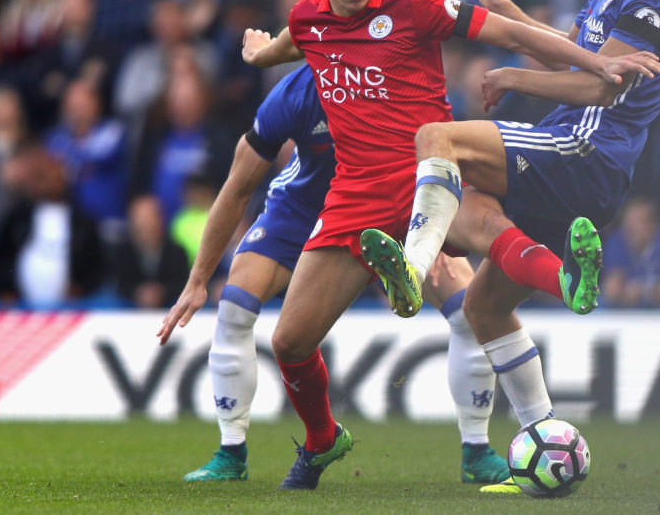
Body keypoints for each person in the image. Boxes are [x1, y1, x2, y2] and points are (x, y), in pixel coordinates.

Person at [159, 0, 660, 491]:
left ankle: (568, 285)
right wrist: (256, 54)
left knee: (489, 230)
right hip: (355, 197)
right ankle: (323, 439)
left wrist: (599, 62)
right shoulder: (308, 19)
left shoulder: (416, 4)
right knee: (290, 342)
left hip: (430, 171)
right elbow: (288, 45)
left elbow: (513, 35)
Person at [359, 0, 660, 492]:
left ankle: (411, 264)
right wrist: (501, 4)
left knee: (438, 139)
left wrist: (509, 76)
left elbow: (600, 82)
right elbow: (573, 47)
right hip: (584, 163)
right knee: (483, 306)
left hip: (584, 149)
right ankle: (546, 443)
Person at [158, 66, 511, 486]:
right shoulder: (295, 93)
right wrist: (198, 279)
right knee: (235, 305)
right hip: (302, 211)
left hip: (393, 210)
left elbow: (443, 158)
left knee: (468, 310)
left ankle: (476, 451)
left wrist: (432, 230)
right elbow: (238, 185)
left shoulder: (399, 73)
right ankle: (231, 452)